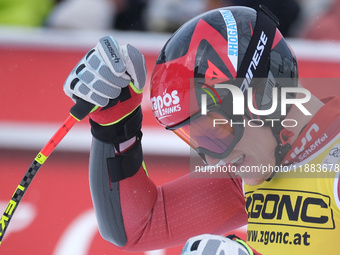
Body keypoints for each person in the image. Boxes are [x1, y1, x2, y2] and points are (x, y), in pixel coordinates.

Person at [63, 6, 340, 255]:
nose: (214, 161)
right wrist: (114, 123)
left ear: (262, 98)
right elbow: (135, 228)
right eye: (195, 138)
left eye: (215, 131)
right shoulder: (256, 167)